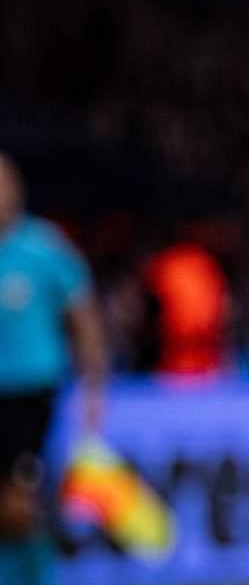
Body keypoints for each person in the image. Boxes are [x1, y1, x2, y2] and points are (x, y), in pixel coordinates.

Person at [0, 152, 109, 584]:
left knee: (21, 502)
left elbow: (82, 316)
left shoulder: (43, 247)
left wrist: (94, 384)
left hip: (32, 393)